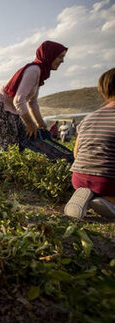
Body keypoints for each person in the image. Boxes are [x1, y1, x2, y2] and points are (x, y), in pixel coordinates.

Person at [0, 41, 68, 151]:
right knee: (3, 146)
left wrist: (41, 124)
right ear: (50, 55)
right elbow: (19, 100)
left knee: (19, 142)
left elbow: (32, 102)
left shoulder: (40, 72)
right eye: (60, 57)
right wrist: (30, 124)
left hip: (11, 109)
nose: (62, 61)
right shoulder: (34, 70)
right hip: (1, 108)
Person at [64, 68, 115, 220]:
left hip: (79, 176)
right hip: (108, 180)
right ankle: (108, 201)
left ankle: (88, 193)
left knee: (97, 180)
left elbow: (76, 152)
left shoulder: (89, 117)